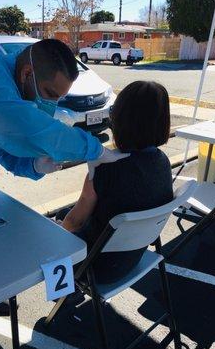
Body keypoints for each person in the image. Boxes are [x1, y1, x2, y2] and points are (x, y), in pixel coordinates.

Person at [0, 39, 128, 195]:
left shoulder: (14, 92)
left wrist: (33, 165)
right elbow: (25, 128)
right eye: (49, 94)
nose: (51, 104)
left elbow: (2, 146)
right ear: (27, 73)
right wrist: (95, 150)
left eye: (58, 98)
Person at [59, 81, 173, 284]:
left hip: (93, 266)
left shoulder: (104, 168)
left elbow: (74, 222)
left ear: (119, 119)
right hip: (133, 257)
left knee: (58, 225)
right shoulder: (162, 161)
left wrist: (55, 228)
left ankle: (64, 295)